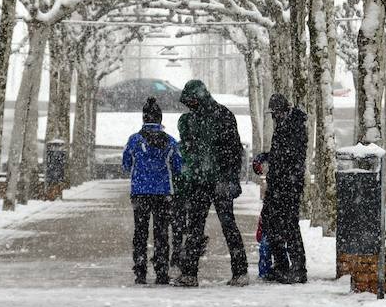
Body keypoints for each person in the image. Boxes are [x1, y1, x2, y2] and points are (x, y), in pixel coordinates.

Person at [175, 79, 249, 287]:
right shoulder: (221, 116)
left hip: (210, 180)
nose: (189, 106)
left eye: (191, 101)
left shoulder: (210, 118)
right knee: (215, 225)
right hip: (210, 180)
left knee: (204, 226)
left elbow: (231, 150)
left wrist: (227, 176)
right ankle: (238, 271)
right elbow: (233, 150)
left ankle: (191, 273)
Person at [121, 98, 183, 284]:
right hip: (163, 193)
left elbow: (125, 165)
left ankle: (140, 271)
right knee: (161, 232)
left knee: (140, 232)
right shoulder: (170, 142)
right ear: (160, 118)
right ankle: (161, 270)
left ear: (143, 118)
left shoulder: (134, 140)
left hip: (139, 192)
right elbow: (178, 167)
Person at [252, 93, 307, 283]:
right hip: (278, 183)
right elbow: (279, 154)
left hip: (289, 185)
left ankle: (299, 268)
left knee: (290, 226)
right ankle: (281, 265)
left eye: (276, 112)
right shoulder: (282, 125)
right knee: (271, 223)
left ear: (283, 110)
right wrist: (265, 157)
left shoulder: (296, 125)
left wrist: (273, 159)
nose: (274, 116)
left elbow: (290, 155)